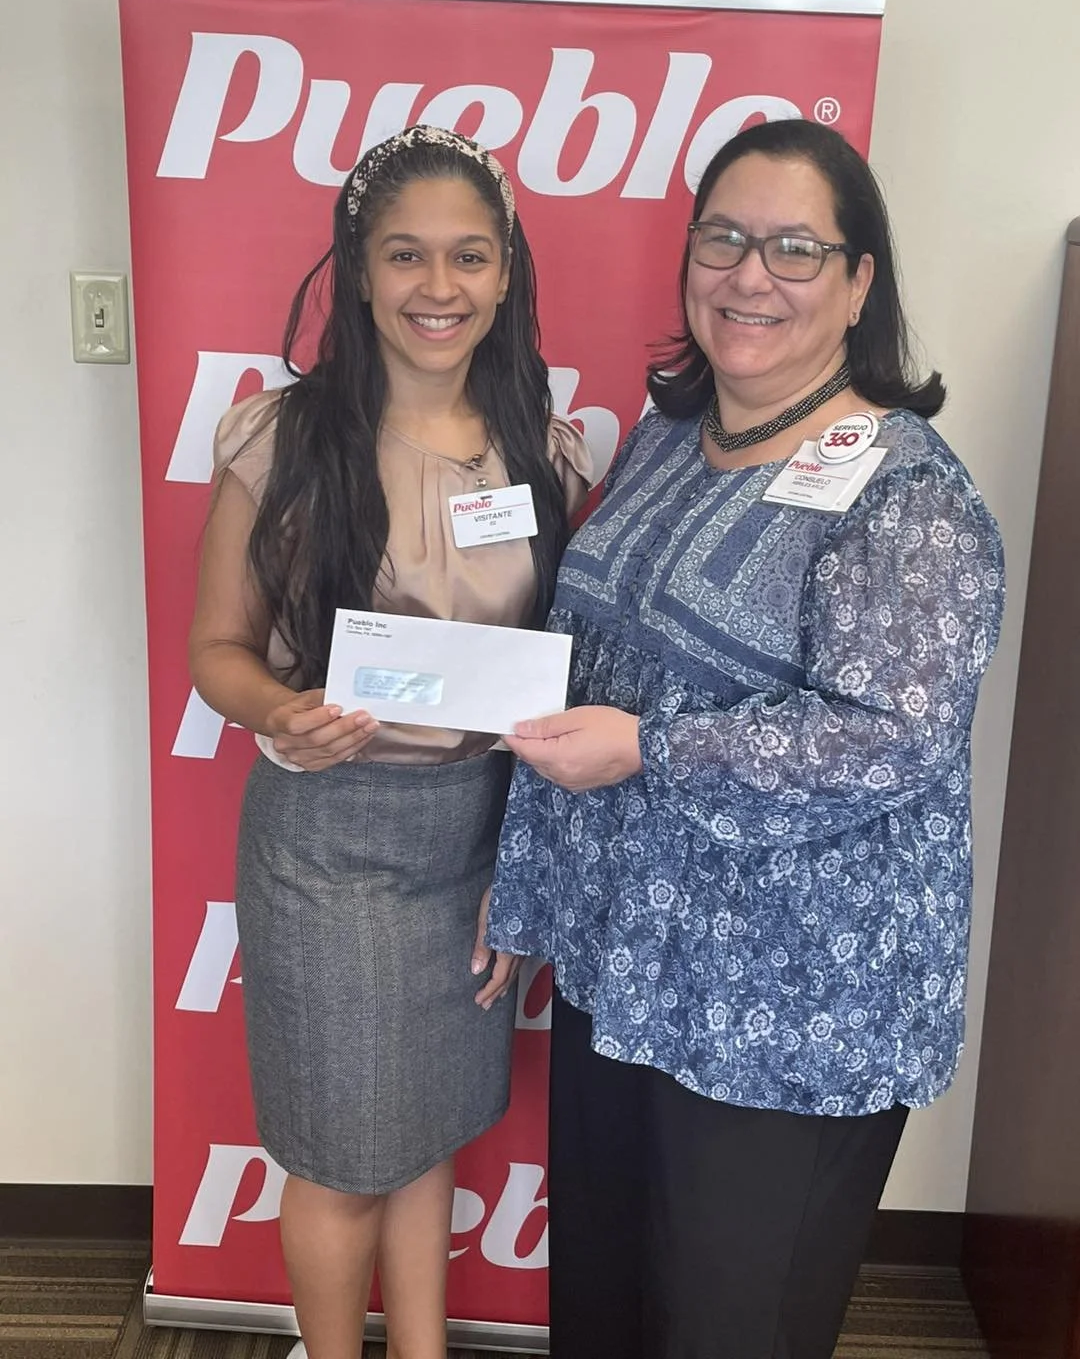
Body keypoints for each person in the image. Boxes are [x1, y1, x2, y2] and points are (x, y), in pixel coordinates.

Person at [487, 117, 1004, 1359]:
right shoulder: (673, 436)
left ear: (859, 279)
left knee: (732, 1327)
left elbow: (889, 739)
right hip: (632, 971)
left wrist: (653, 751)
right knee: (606, 1310)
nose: (749, 275)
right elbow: (596, 663)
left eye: (793, 247)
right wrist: (524, 891)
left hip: (792, 1009)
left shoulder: (909, 495)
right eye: (723, 238)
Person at [188, 125, 591, 1359]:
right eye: (405, 255)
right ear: (358, 271)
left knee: (426, 1132)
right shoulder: (283, 437)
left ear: (507, 272)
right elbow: (217, 653)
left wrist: (524, 867)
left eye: (469, 256)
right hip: (329, 838)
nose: (438, 287)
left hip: (474, 837)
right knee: (342, 1154)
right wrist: (279, 713)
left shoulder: (544, 446)